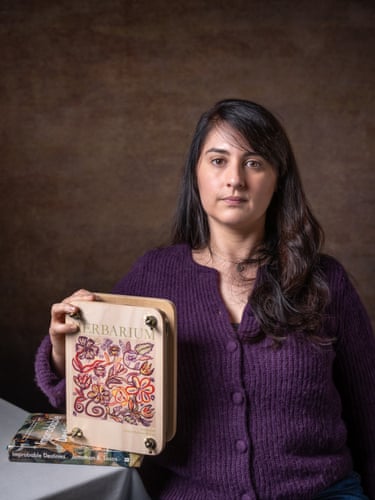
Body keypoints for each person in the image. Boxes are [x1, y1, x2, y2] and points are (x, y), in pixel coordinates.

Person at [35, 99, 375, 499]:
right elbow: (101, 404)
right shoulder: (154, 276)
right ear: (196, 173)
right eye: (217, 160)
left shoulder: (325, 281)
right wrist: (64, 347)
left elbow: (368, 413)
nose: (235, 179)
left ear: (278, 178)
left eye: (254, 162)